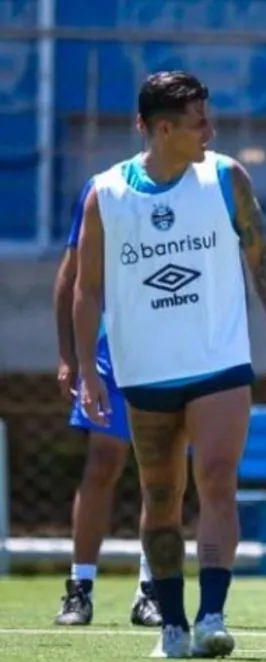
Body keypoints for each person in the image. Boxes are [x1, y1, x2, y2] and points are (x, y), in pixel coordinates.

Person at [73, 71, 266, 659]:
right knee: (160, 495)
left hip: (219, 362)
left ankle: (212, 616)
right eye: (199, 119)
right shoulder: (106, 193)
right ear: (162, 128)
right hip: (144, 370)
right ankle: (171, 626)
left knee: (218, 477)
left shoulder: (225, 177)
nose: (212, 128)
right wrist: (87, 369)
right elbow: (87, 288)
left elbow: (261, 256)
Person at [51, 178, 162, 628]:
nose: (203, 133)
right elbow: (72, 276)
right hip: (109, 351)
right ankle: (80, 588)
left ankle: (150, 591)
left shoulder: (206, 184)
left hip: (174, 352)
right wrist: (69, 356)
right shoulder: (106, 189)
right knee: (102, 463)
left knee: (162, 473)